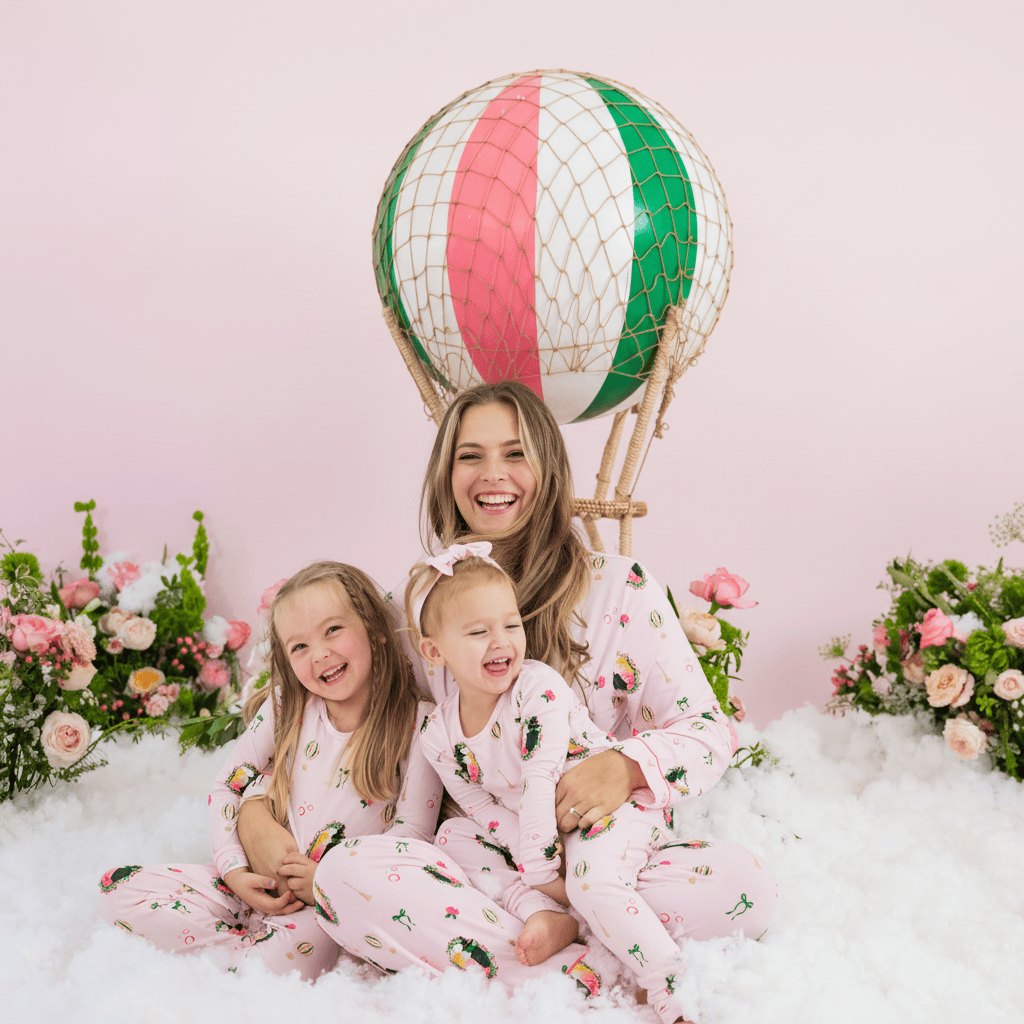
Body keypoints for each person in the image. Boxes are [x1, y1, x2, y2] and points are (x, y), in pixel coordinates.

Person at [240, 380, 776, 1002]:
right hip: (486, 873)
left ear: (549, 468)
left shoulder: (620, 589)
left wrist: (624, 766)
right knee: (349, 876)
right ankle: (579, 971)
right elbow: (318, 708)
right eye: (470, 455)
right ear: (446, 474)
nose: (492, 475)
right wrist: (251, 812)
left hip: (605, 860)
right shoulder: (418, 611)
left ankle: (568, 942)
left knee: (746, 886)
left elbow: (708, 732)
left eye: (515, 453)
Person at [97, 561, 442, 981]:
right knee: (117, 891)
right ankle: (239, 950)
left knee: (279, 965)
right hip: (255, 885)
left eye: (333, 630)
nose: (320, 655)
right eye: (299, 647)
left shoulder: (418, 724)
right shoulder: (286, 708)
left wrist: (326, 880)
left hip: (323, 909)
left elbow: (414, 837)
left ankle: (244, 963)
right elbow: (228, 787)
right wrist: (236, 872)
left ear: (375, 629)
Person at [413, 543, 698, 1024]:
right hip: (537, 832)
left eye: (510, 624)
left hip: (604, 809)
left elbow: (540, 777)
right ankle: (548, 911)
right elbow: (478, 805)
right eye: (479, 632)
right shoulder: (437, 734)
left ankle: (667, 986)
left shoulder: (537, 686)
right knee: (453, 838)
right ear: (434, 651)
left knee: (593, 881)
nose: (501, 641)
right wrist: (532, 861)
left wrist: (544, 864)